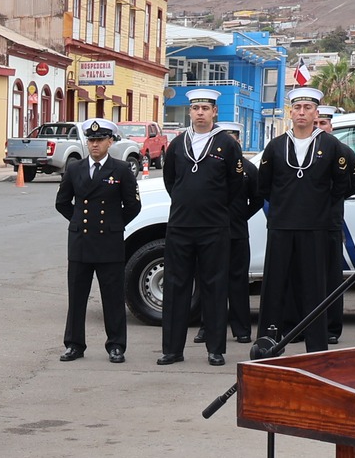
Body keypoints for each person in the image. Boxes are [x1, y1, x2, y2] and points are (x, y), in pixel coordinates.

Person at [257, 88, 355, 353]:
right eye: (297, 107)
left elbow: (342, 184)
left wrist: (318, 206)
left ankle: (317, 347)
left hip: (316, 228)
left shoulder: (331, 145)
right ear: (291, 112)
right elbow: (264, 186)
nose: (302, 112)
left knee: (315, 288)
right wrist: (285, 206)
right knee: (274, 286)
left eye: (307, 108)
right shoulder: (276, 146)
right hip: (281, 226)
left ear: (316, 112)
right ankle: (267, 344)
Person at [159, 90, 245, 366]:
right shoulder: (178, 143)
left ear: (214, 112)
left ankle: (215, 349)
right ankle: (172, 349)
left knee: (214, 286)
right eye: (195, 108)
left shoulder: (226, 144)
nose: (200, 113)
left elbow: (235, 184)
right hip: (181, 226)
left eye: (205, 108)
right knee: (176, 287)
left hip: (213, 227)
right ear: (189, 111)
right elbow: (170, 180)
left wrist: (214, 207)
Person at [55, 119, 143, 364]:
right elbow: (62, 202)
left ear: (110, 142)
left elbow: (133, 205)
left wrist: (114, 224)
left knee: (112, 297)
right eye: (91, 140)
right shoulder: (75, 169)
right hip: (81, 241)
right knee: (77, 297)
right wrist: (78, 222)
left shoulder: (121, 169)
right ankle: (74, 344)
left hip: (109, 242)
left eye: (100, 140)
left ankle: (116, 345)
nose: (94, 144)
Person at [222, 134, 265, 344]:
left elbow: (258, 199)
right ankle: (207, 327)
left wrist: (241, 216)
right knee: (210, 281)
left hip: (237, 232)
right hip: (213, 232)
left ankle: (241, 329)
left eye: (233, 141)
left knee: (238, 282)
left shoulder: (248, 169)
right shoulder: (213, 165)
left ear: (238, 143)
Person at [318, 106, 350, 344]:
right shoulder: (299, 149)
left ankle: (331, 328)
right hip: (303, 224)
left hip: (330, 223)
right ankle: (300, 326)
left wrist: (330, 200)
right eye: (316, 123)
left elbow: (354, 182)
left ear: (331, 126)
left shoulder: (342, 151)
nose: (319, 127)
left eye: (323, 123)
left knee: (331, 278)